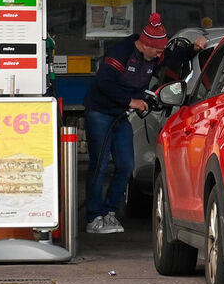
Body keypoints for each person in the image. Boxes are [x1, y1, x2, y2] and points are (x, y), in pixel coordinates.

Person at [82, 13, 207, 234]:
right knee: (99, 166)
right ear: (146, 44)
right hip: (100, 113)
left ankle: (110, 213)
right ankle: (94, 217)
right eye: (158, 50)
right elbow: (104, 83)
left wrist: (194, 49)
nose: (161, 55)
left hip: (121, 116)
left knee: (126, 165)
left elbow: (173, 57)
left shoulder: (156, 55)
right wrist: (131, 101)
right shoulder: (121, 53)